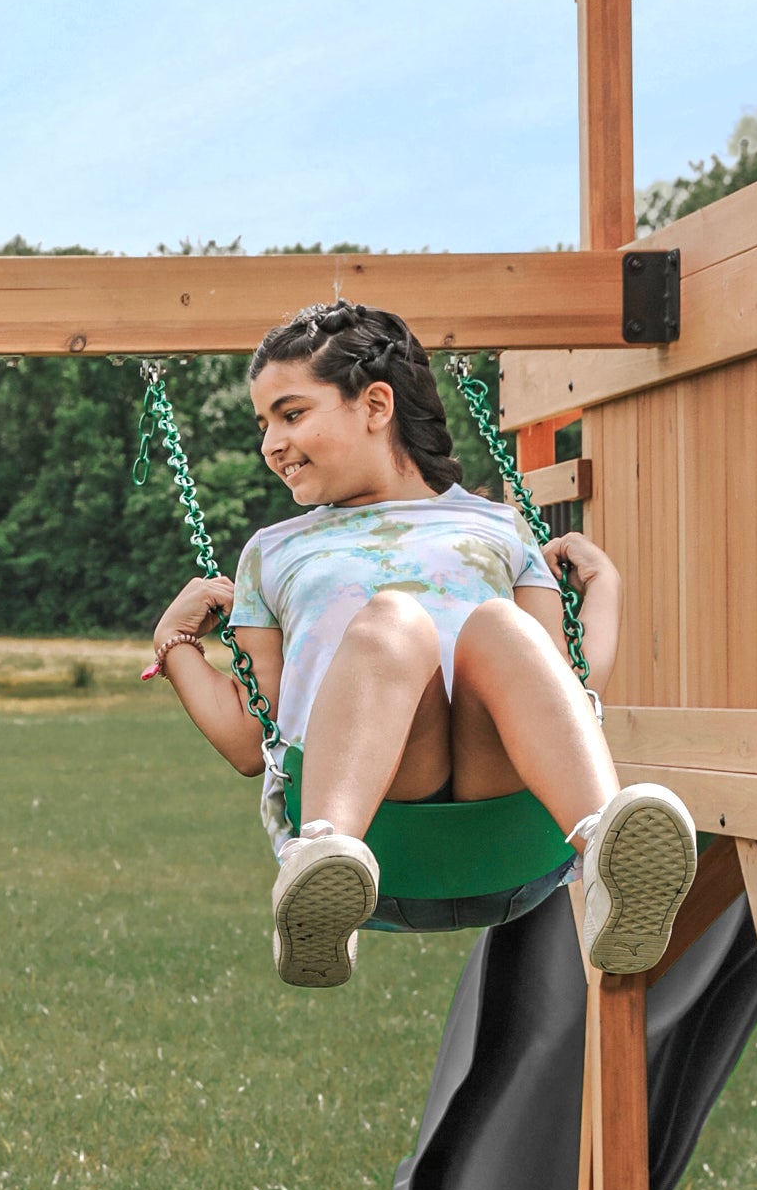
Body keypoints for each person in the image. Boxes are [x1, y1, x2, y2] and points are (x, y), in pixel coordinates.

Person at [150, 300, 696, 989]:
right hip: (377, 817)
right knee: (394, 623)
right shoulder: (273, 550)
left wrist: (606, 588)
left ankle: (604, 858)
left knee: (500, 630)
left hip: (514, 809)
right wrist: (174, 645)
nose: (270, 443)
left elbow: (565, 685)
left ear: (375, 404)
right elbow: (245, 743)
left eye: (291, 414)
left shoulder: (500, 525)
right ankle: (323, 864)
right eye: (264, 424)